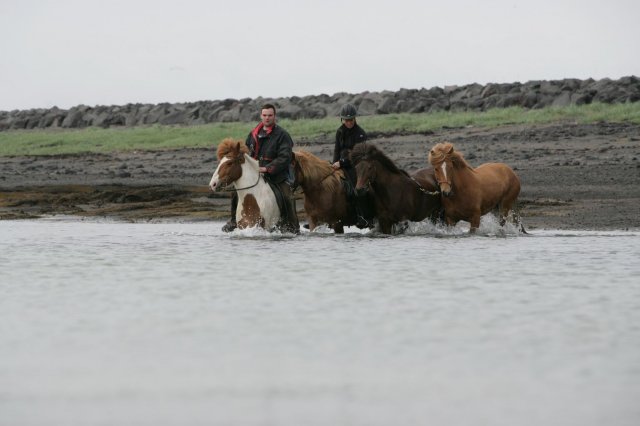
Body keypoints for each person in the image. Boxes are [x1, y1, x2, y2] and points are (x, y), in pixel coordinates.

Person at [222, 103, 300, 233]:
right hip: (255, 174)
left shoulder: (283, 135)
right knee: (236, 192)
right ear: (260, 116)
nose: (267, 118)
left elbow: (285, 158)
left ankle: (291, 225)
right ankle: (233, 221)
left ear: (274, 116)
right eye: (264, 115)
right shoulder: (252, 135)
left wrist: (268, 168)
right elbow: (246, 155)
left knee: (287, 196)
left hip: (277, 176)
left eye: (270, 115)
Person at [332, 103, 372, 227]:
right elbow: (337, 150)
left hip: (356, 166)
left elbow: (357, 155)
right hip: (340, 165)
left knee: (358, 189)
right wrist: (334, 164)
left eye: (351, 120)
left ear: (355, 118)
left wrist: (341, 163)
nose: (348, 122)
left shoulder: (360, 134)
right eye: (346, 120)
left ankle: (363, 217)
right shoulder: (339, 131)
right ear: (342, 119)